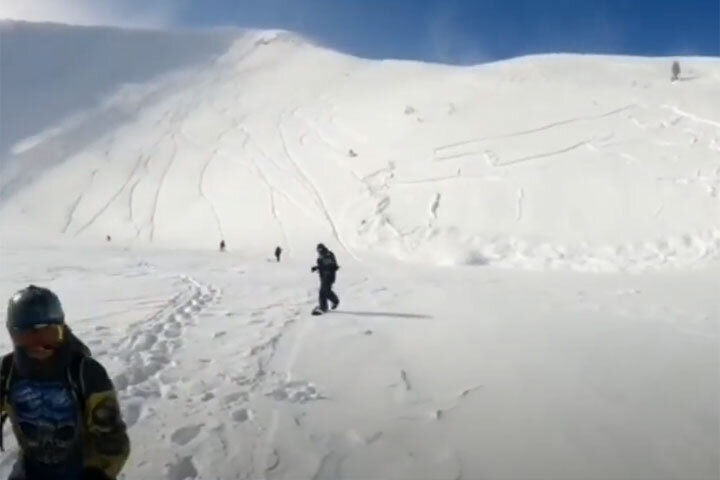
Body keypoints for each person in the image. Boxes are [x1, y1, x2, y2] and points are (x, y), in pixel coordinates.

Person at [0, 285, 130, 480]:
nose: (39, 347)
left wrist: (100, 473)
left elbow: (112, 436)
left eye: (49, 335)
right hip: (30, 470)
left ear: (62, 330)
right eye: (27, 337)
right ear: (14, 336)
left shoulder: (85, 373)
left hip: (82, 471)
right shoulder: (7, 371)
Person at [311, 243, 339, 312]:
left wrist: (319, 267)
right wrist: (317, 268)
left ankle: (324, 307)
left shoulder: (327, 255)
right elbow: (325, 266)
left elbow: (329, 266)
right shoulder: (323, 256)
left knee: (323, 292)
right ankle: (329, 304)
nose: (319, 252)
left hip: (328, 276)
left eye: (319, 250)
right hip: (325, 276)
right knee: (325, 291)